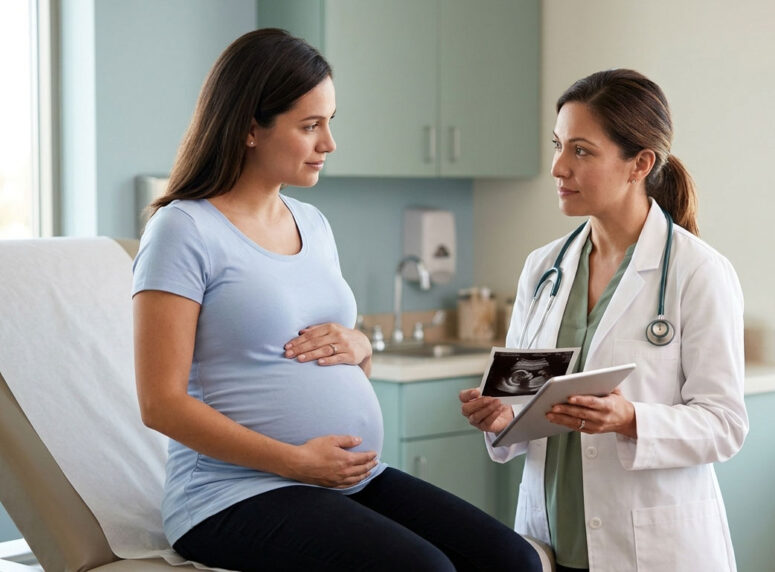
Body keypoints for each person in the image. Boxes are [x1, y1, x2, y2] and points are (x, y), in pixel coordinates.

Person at [132, 28, 541, 572]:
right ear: (251, 127)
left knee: (512, 560)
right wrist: (296, 462)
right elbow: (160, 403)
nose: (329, 143)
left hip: (346, 478)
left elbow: (335, 362)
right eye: (310, 126)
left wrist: (361, 345)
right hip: (230, 495)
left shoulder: (314, 224)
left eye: (330, 121)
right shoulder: (183, 230)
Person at [460, 69, 749, 571]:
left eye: (581, 151)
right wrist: (503, 417)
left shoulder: (698, 272)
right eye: (557, 146)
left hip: (650, 548)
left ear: (640, 163)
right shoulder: (543, 268)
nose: (557, 167)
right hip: (550, 539)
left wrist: (631, 419)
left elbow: (724, 425)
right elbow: (523, 398)